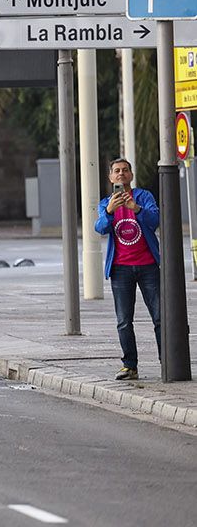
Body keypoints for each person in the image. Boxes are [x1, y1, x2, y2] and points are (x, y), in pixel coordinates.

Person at [94, 158, 161, 381]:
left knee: (160, 317)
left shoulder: (144, 197)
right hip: (121, 268)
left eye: (125, 170)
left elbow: (155, 220)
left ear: (131, 175)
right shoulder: (106, 202)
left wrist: (136, 208)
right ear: (111, 178)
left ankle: (167, 361)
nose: (121, 174)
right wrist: (110, 212)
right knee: (124, 320)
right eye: (116, 171)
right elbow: (100, 228)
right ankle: (129, 366)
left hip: (148, 266)